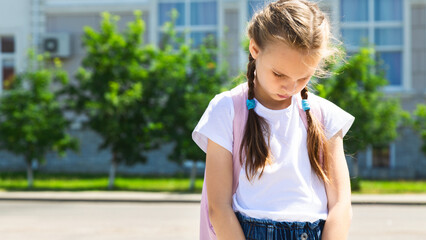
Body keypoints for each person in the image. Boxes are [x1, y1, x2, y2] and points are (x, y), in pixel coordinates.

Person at [192, 0, 355, 239]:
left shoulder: (325, 116)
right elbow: (218, 208)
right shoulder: (226, 110)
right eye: (279, 74)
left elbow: (341, 205)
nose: (290, 87)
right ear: (255, 49)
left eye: (303, 77)